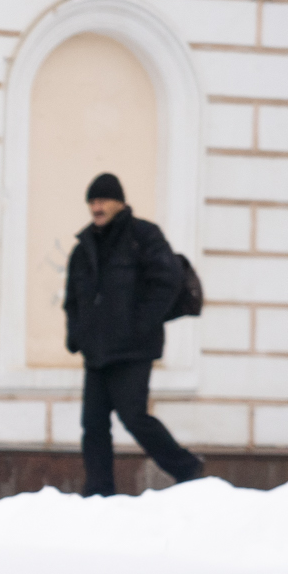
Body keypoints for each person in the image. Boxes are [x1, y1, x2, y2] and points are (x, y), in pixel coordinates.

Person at [63, 173, 203, 497]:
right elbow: (72, 299)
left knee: (134, 417)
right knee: (93, 425)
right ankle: (99, 491)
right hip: (96, 351)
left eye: (102, 201)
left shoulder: (144, 236)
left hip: (133, 350)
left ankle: (186, 468)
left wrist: (141, 325)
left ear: (119, 202)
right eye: (92, 201)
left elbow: (167, 281)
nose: (96, 207)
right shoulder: (83, 248)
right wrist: (76, 334)